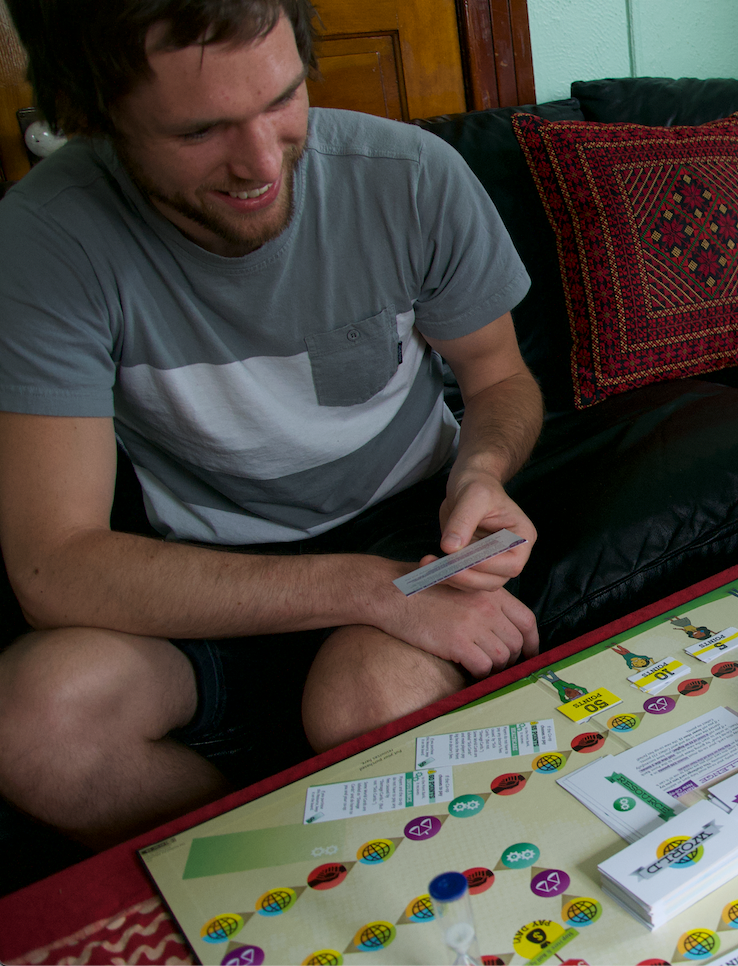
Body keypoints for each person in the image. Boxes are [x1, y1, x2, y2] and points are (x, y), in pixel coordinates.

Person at [0, 0, 543, 848]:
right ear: (95, 120)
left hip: (411, 534)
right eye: (199, 131)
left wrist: (481, 473)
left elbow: (497, 375)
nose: (260, 163)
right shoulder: (43, 244)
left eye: (283, 99)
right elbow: (53, 567)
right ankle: (276, 877)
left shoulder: (409, 176)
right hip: (201, 567)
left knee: (368, 705)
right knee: (31, 723)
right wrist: (365, 589)